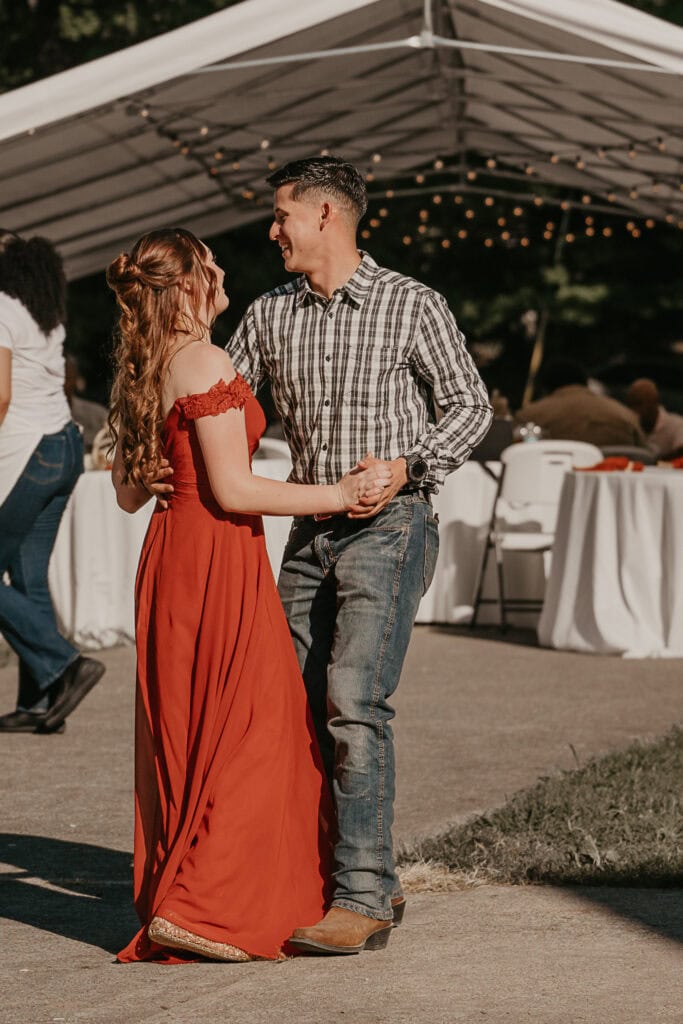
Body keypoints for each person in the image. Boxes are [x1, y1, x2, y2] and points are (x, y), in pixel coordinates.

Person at [227, 156, 492, 954]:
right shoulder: (269, 312)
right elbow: (225, 397)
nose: (271, 231)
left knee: (352, 702)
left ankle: (364, 896)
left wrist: (408, 465)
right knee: (290, 703)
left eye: (281, 216)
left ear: (325, 216)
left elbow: (470, 406)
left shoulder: (412, 303)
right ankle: (332, 873)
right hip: (310, 527)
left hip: (393, 524)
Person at [107, 227, 391, 963]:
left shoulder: (148, 362)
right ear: (190, 282)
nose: (223, 265)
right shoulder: (202, 357)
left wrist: (160, 466)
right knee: (256, 733)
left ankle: (182, 894)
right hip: (215, 560)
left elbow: (128, 494)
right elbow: (233, 489)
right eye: (210, 259)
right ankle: (208, 904)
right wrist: (340, 493)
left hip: (171, 557)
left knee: (193, 728)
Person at [0, 230, 105, 735]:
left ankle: (65, 662)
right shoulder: (45, 314)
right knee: (28, 579)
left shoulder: (0, 307)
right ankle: (40, 705)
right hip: (63, 446)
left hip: (26, 453)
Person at [515, 358, 644, 448]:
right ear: (586, 382)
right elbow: (646, 455)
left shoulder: (529, 417)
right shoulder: (626, 416)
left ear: (545, 388)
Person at [626, 378, 683, 459]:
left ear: (654, 402)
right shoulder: (629, 427)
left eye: (640, 404)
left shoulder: (677, 426)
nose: (636, 411)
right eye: (632, 405)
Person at [64, 354, 108, 453]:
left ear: (76, 380)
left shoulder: (98, 414)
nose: (63, 382)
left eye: (67, 377)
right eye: (59, 377)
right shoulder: (40, 417)